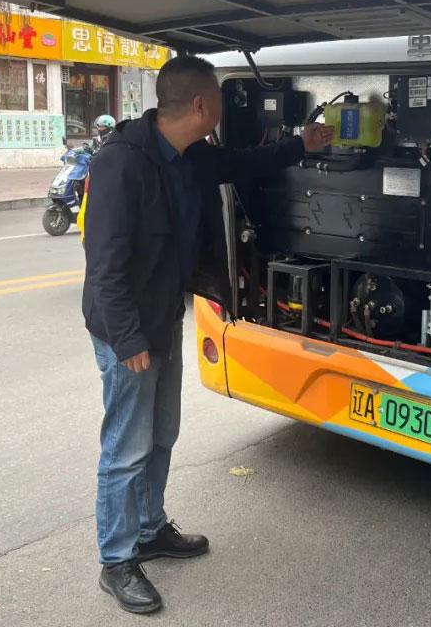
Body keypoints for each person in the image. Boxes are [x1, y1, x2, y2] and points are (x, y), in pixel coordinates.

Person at [82, 55, 334, 614]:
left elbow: (242, 163)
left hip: (162, 316)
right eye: (219, 95)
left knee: (161, 434)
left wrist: (302, 144)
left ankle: (150, 530)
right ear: (201, 104)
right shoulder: (122, 162)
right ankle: (116, 559)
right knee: (126, 446)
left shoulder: (189, 154)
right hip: (128, 330)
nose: (222, 104)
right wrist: (128, 341)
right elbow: (104, 266)